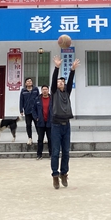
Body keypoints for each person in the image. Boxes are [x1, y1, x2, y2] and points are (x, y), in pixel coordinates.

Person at [49, 56, 80, 189]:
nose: (61, 83)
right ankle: (55, 175)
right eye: (59, 81)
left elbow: (70, 80)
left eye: (62, 81)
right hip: (56, 125)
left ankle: (64, 173)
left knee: (66, 151)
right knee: (56, 151)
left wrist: (72, 70)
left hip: (66, 125)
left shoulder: (67, 92)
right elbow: (53, 80)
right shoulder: (54, 92)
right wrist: (57, 67)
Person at [33, 84, 53, 160]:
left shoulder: (52, 99)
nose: (45, 91)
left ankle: (51, 154)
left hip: (50, 122)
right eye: (43, 89)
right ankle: (39, 155)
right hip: (40, 122)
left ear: (48, 90)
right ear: (41, 90)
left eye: (46, 89)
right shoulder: (37, 99)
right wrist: (36, 118)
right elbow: (33, 110)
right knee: (40, 139)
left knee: (50, 139)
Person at [19, 77, 40, 145]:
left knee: (37, 124)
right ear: (25, 83)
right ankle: (30, 138)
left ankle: (40, 137)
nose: (29, 82)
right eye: (27, 81)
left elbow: (39, 99)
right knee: (28, 125)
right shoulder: (23, 91)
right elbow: (21, 100)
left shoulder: (35, 89)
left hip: (35, 111)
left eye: (30, 81)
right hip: (27, 110)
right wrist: (21, 110)